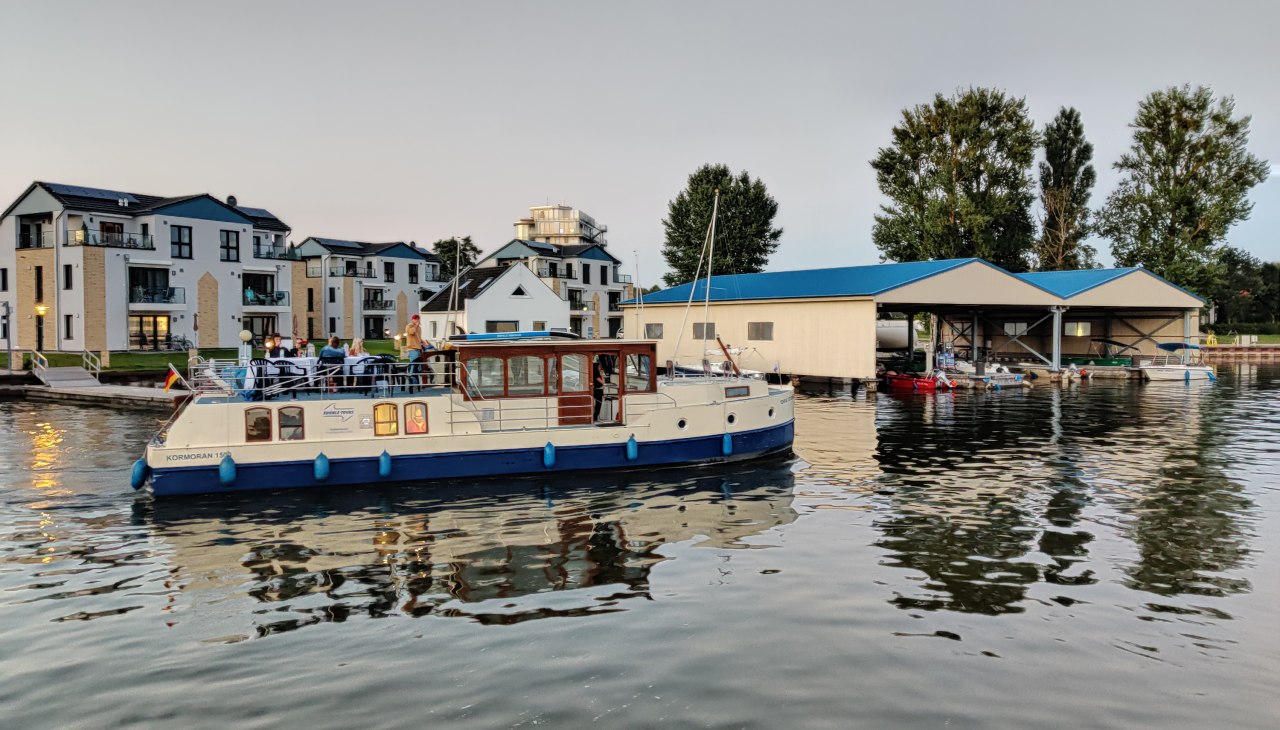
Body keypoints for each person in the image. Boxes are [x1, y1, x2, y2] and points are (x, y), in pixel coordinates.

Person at [405, 314, 424, 383]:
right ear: (412, 320)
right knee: (413, 365)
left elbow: (418, 337)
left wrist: (423, 342)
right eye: (415, 319)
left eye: (418, 319)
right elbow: (411, 332)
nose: (417, 320)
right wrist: (415, 325)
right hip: (412, 349)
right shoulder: (409, 326)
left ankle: (416, 382)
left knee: (417, 366)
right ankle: (412, 382)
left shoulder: (419, 328)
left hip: (418, 348)